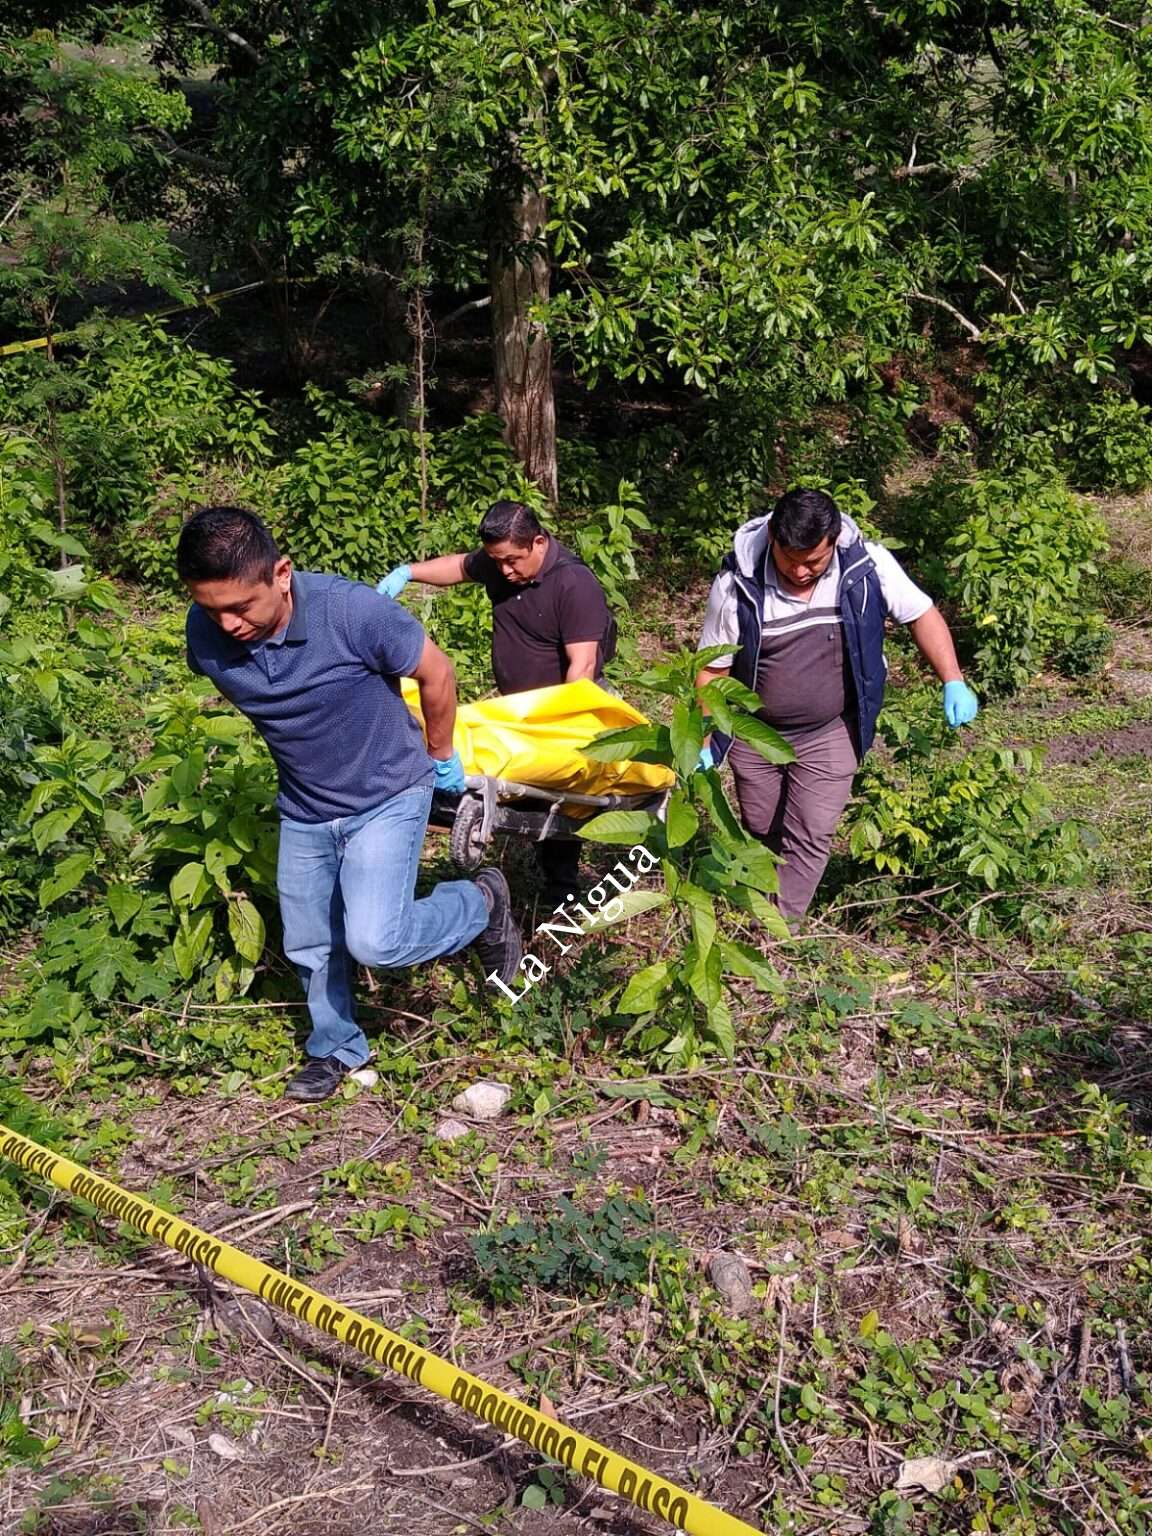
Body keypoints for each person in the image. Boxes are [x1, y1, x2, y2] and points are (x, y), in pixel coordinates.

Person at [178, 506, 523, 1102]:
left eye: (240, 607)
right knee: (309, 942)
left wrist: (441, 757)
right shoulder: (204, 635)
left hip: (388, 791)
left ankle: (482, 900)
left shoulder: (352, 612)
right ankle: (336, 1047)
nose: (227, 624)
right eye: (212, 609)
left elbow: (437, 673)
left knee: (376, 940)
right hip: (305, 806)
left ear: (281, 573)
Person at [696, 488, 979, 924]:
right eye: (792, 559)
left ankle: (774, 932)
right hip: (756, 733)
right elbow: (712, 670)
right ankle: (758, 903)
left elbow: (921, 614)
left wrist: (953, 679)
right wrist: (706, 734)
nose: (802, 571)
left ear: (833, 540)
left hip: (831, 730)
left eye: (814, 560)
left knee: (810, 832)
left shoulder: (865, 567)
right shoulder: (738, 584)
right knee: (761, 825)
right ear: (772, 536)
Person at [379, 501, 617, 907]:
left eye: (512, 561)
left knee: (557, 805)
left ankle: (563, 895)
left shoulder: (573, 584)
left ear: (539, 542)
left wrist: (555, 726)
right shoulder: (500, 561)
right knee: (516, 789)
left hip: (560, 711)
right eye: (497, 561)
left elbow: (583, 666)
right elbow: (459, 567)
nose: (504, 571)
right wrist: (408, 574)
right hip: (515, 709)